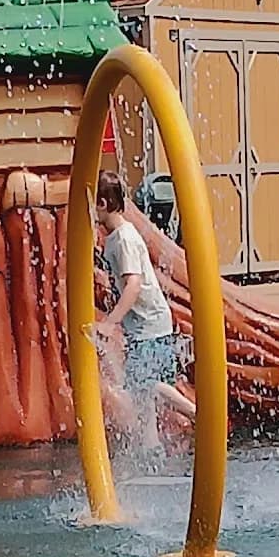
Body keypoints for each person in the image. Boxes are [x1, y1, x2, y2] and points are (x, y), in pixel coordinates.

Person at [94, 170, 195, 456]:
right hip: (142, 323)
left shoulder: (124, 239)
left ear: (102, 203)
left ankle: (194, 412)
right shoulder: (116, 236)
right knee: (142, 392)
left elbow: (134, 285)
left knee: (144, 382)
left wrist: (110, 323)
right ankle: (151, 449)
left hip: (149, 322)